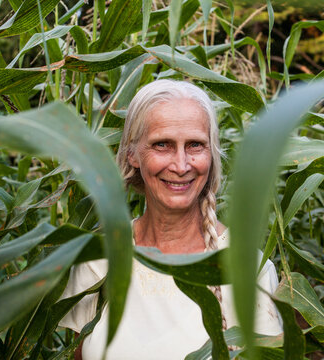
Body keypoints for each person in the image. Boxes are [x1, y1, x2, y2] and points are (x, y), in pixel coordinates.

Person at [59, 80, 282, 359]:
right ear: (133, 154)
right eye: (162, 144)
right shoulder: (97, 259)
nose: (180, 165)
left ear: (211, 155)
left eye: (195, 145)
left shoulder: (249, 269)